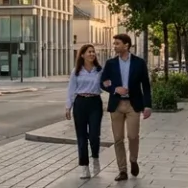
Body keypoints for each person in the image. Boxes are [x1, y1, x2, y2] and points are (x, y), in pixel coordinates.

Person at [101, 33, 152, 182]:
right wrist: (115, 89)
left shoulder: (139, 63)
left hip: (133, 104)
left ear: (126, 45)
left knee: (132, 136)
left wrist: (147, 105)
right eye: (114, 43)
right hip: (116, 105)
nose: (114, 46)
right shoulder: (110, 63)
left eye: (117, 43)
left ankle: (133, 160)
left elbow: (146, 86)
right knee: (118, 139)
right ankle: (122, 170)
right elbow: (103, 82)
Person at [65, 44, 104, 179]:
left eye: (93, 52)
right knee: (81, 137)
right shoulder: (76, 71)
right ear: (82, 55)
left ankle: (95, 158)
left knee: (94, 135)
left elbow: (106, 85)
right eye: (89, 52)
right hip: (80, 103)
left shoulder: (99, 70)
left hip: (95, 103)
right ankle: (84, 167)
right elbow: (71, 89)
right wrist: (68, 106)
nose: (92, 54)